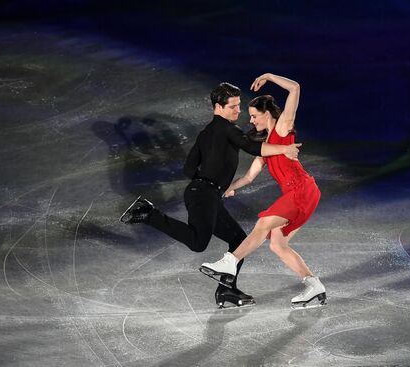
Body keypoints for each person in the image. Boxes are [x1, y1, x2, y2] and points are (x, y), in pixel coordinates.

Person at [120, 82, 301, 308]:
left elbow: (188, 168)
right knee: (198, 242)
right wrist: (284, 148)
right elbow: (253, 148)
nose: (238, 111)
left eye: (238, 105)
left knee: (238, 241)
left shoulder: (208, 132)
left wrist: (209, 180)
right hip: (204, 195)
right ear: (219, 106)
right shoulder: (227, 129)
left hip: (206, 194)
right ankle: (148, 213)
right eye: (233, 106)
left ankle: (226, 292)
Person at [200, 73, 327, 309]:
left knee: (262, 224)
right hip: (302, 194)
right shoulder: (266, 149)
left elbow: (296, 88)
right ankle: (314, 285)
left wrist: (268, 76)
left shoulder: (283, 127)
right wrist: (228, 188)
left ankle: (230, 261)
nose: (252, 121)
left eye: (255, 116)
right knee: (277, 244)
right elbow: (248, 178)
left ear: (267, 114)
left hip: (301, 190)